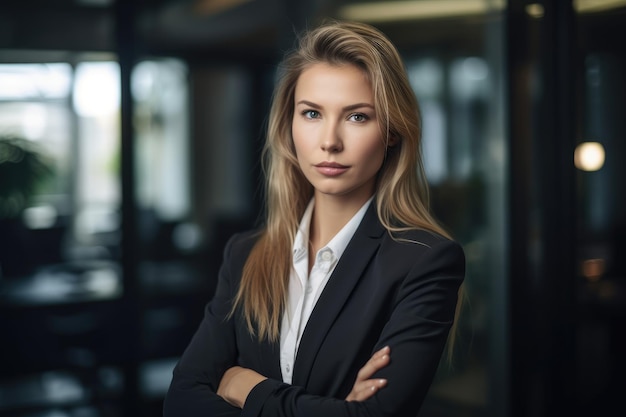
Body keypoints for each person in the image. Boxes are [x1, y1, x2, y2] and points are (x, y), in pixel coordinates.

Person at [163, 20, 465, 417]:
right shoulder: (246, 254)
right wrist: (331, 408)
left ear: (392, 130)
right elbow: (182, 401)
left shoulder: (423, 261)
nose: (329, 141)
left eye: (357, 117)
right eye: (311, 114)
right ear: (289, 125)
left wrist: (247, 389)